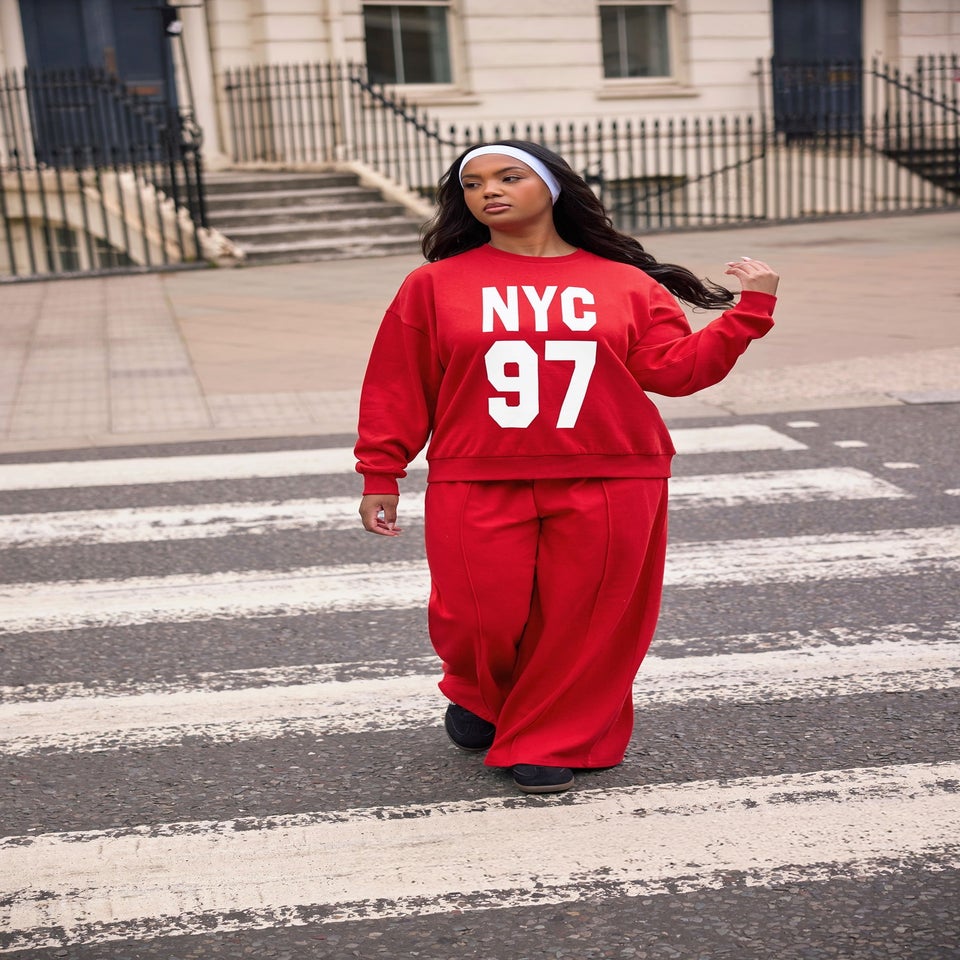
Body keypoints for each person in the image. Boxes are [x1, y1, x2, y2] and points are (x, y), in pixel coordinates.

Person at [355, 140, 779, 795]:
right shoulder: (434, 285)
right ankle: (480, 693)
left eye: (507, 176)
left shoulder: (625, 284)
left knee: (584, 619)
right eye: (471, 184)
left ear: (552, 186)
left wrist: (748, 314)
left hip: (614, 474)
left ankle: (547, 739)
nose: (487, 191)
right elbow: (398, 383)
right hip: (478, 472)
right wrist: (381, 471)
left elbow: (674, 371)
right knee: (476, 617)